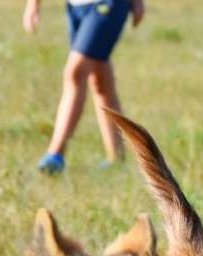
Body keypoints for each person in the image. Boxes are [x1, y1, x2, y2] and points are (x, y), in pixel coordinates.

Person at [23, 0, 145, 174]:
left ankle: (55, 154)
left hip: (108, 4)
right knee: (100, 79)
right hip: (76, 6)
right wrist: (33, 4)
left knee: (76, 72)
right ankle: (116, 159)